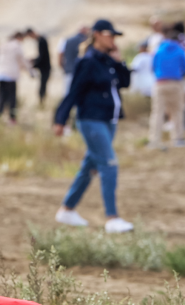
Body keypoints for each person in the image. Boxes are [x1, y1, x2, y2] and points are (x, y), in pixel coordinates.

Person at [54, 20, 132, 233]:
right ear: (97, 34)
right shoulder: (87, 61)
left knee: (90, 166)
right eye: (109, 34)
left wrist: (119, 60)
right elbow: (74, 92)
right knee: (109, 164)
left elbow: (125, 82)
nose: (113, 39)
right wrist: (60, 119)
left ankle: (67, 209)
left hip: (109, 120)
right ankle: (112, 218)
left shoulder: (108, 61)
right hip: (90, 120)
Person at [149, 28, 185, 149]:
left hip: (160, 83)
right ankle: (177, 139)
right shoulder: (180, 50)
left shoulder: (159, 50)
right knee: (177, 112)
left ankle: (154, 140)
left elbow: (153, 66)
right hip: (175, 83)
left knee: (157, 113)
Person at [0, 32, 31, 124]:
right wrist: (31, 71)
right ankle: (12, 119)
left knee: (1, 96)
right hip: (10, 75)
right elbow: (22, 61)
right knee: (12, 98)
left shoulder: (3, 45)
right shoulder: (16, 46)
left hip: (0, 74)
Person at [58, 25, 89, 95]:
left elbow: (60, 58)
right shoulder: (86, 41)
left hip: (68, 72)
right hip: (81, 74)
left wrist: (65, 68)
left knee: (68, 96)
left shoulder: (66, 40)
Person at [26, 28, 51, 105]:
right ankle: (41, 101)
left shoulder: (41, 40)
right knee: (42, 85)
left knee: (42, 85)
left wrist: (34, 64)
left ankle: (42, 101)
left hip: (45, 67)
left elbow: (43, 56)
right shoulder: (41, 40)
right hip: (44, 67)